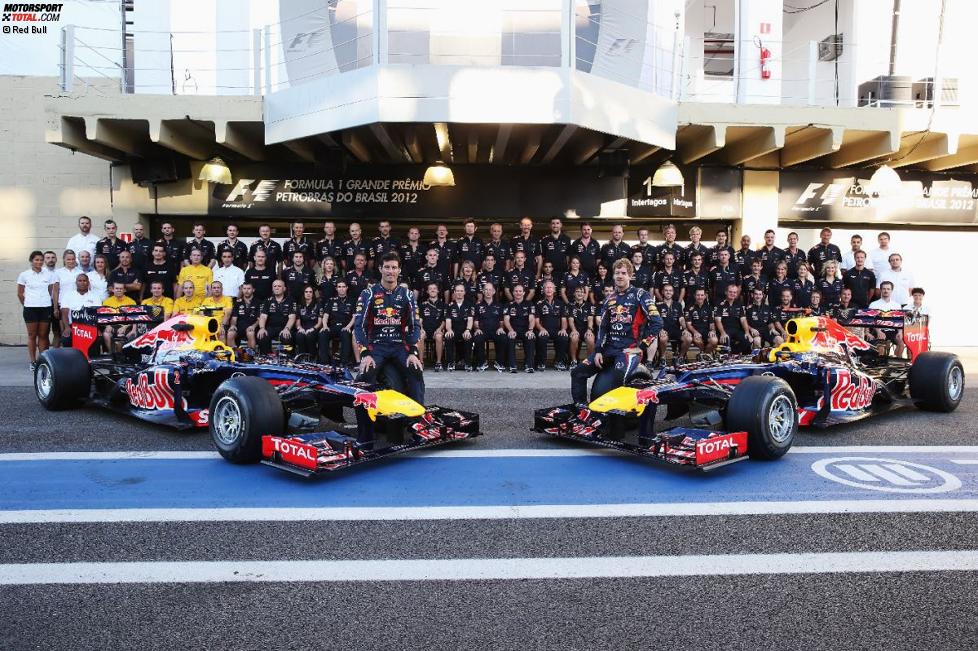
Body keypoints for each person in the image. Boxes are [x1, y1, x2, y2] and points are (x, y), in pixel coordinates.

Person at [570, 259, 661, 405]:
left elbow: (657, 322)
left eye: (624, 273)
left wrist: (641, 347)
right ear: (613, 275)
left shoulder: (641, 295)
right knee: (577, 372)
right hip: (608, 350)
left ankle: (615, 421)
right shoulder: (609, 299)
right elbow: (603, 328)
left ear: (630, 275)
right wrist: (598, 350)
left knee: (617, 378)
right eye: (617, 273)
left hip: (628, 350)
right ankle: (582, 409)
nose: (620, 276)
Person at [353, 252, 425, 403]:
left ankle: (416, 419)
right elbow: (359, 326)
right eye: (387, 267)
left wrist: (413, 351)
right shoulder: (369, 293)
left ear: (399, 270)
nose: (390, 271)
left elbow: (415, 325)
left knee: (416, 371)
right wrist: (365, 352)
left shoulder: (407, 295)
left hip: (400, 346)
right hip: (376, 346)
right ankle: (366, 425)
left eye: (394, 267)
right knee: (365, 375)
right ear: (380, 269)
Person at [18, 251, 58, 369]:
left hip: (45, 307)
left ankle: (43, 360)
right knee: (32, 335)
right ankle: (33, 361)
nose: (39, 262)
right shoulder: (24, 275)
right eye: (36, 260)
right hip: (30, 308)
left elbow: (53, 291)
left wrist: (54, 307)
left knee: (43, 335)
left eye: (41, 260)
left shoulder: (49, 274)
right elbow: (20, 293)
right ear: (31, 261)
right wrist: (27, 304)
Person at [319, 279, 355, 366]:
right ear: (336, 289)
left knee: (345, 334)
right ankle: (325, 362)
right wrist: (324, 326)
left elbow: (354, 316)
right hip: (333, 326)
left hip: (345, 326)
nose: (341, 289)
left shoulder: (352, 300)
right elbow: (326, 315)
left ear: (347, 288)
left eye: (343, 287)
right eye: (339, 287)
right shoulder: (331, 300)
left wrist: (348, 327)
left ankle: (344, 363)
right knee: (323, 334)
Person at [535, 280, 569, 371]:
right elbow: (537, 321)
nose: (548, 289)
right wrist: (541, 329)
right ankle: (541, 362)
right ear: (543, 290)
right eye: (546, 287)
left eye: (550, 287)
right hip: (544, 329)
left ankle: (559, 361)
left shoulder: (560, 303)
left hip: (556, 330)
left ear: (554, 290)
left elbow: (564, 319)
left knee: (563, 337)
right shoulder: (539, 304)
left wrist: (563, 329)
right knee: (542, 338)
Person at [473, 281, 508, 372]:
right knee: (477, 338)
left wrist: (501, 328)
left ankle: (499, 362)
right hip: (483, 330)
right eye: (486, 290)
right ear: (483, 292)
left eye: (490, 290)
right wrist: (477, 329)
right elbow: (475, 321)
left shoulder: (499, 306)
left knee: (503, 337)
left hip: (495, 330)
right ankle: (482, 362)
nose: (488, 292)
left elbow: (501, 321)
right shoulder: (478, 306)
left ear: (494, 292)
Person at [60, 274, 102, 345]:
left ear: (88, 283)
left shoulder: (95, 296)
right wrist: (67, 328)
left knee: (98, 339)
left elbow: (98, 314)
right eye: (80, 281)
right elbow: (64, 314)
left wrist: (97, 329)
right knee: (66, 339)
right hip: (73, 326)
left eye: (84, 281)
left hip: (90, 326)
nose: (82, 283)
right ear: (76, 283)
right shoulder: (68, 295)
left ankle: (92, 356)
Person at [257, 279, 297, 354]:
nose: (277, 288)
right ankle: (266, 357)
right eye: (275, 286)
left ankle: (287, 358)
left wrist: (287, 328)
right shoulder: (267, 301)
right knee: (262, 335)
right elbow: (263, 316)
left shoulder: (291, 300)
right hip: (271, 328)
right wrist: (262, 328)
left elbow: (292, 317)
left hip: (285, 327)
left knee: (286, 336)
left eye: (279, 286)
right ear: (272, 289)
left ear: (284, 289)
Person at [504, 284, 536, 373]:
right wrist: (510, 330)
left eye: (520, 291)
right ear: (513, 293)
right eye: (516, 291)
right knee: (510, 337)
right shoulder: (508, 305)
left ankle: (528, 365)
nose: (518, 293)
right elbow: (506, 320)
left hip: (525, 330)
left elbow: (532, 318)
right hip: (513, 330)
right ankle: (512, 365)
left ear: (524, 293)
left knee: (530, 337)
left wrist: (530, 330)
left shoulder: (529, 304)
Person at [443, 283, 475, 371]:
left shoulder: (469, 305)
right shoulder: (450, 306)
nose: (459, 293)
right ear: (454, 292)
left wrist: (468, 330)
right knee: (448, 336)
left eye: (461, 291)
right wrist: (449, 330)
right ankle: (450, 363)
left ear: (464, 292)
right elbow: (448, 321)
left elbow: (470, 320)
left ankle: (467, 363)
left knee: (468, 337)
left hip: (465, 330)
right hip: (454, 330)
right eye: (457, 291)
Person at [869, 281, 906, 357]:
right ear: (881, 290)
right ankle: (881, 366)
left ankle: (896, 364)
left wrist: (900, 332)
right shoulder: (874, 304)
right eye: (884, 289)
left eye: (888, 289)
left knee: (901, 345)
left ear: (891, 290)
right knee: (881, 348)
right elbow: (871, 321)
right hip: (879, 330)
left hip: (893, 331)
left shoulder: (897, 305)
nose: (886, 291)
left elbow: (899, 320)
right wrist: (878, 331)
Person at [656, 283, 689, 365]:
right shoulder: (657, 305)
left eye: (670, 291)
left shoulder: (678, 305)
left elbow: (681, 319)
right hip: (664, 330)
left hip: (676, 330)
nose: (668, 292)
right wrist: (660, 330)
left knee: (688, 338)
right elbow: (656, 320)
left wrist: (685, 329)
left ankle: (680, 357)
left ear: (673, 292)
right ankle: (662, 358)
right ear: (662, 292)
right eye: (666, 290)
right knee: (663, 338)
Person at [714, 285, 752, 354]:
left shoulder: (739, 304)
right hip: (725, 330)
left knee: (747, 340)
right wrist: (722, 333)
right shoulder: (719, 304)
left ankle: (734, 354)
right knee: (725, 339)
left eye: (734, 292)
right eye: (730, 292)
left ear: (737, 294)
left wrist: (747, 332)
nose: (732, 294)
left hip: (737, 330)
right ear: (726, 292)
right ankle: (727, 358)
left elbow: (743, 320)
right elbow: (718, 321)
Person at [418, 281, 446, 371]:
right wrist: (421, 329)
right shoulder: (422, 305)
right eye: (430, 289)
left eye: (434, 289)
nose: (432, 290)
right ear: (427, 291)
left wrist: (440, 329)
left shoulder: (443, 305)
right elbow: (420, 320)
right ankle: (421, 362)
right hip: (425, 330)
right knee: (420, 335)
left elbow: (444, 320)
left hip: (437, 330)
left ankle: (438, 362)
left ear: (438, 291)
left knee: (439, 336)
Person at [101, 282, 137, 350]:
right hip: (112, 325)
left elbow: (134, 318)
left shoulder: (131, 302)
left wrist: (125, 327)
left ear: (124, 290)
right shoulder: (107, 302)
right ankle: (111, 354)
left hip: (126, 325)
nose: (119, 290)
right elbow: (104, 317)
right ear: (113, 289)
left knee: (120, 337)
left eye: (121, 288)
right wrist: (108, 326)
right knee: (106, 334)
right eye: (117, 288)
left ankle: (119, 356)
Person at [567, 285, 596, 368]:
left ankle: (588, 362)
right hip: (575, 329)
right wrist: (573, 330)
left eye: (582, 292)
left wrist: (589, 330)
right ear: (574, 293)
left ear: (584, 294)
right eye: (577, 291)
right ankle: (574, 361)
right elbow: (571, 320)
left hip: (586, 329)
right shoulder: (570, 305)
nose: (580, 293)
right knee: (574, 337)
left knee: (590, 339)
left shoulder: (589, 305)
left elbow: (590, 319)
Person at [684, 287, 718, 356]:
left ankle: (704, 355)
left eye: (702, 295)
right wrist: (695, 332)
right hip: (695, 330)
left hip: (706, 331)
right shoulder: (688, 307)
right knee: (697, 340)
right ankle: (705, 355)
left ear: (705, 296)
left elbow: (711, 323)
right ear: (694, 296)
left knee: (714, 340)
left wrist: (712, 331)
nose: (700, 297)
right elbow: (688, 324)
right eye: (698, 295)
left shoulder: (709, 308)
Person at [226, 281, 260, 348]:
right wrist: (232, 325)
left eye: (248, 288)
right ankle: (235, 355)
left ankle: (250, 356)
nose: (246, 291)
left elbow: (260, 319)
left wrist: (253, 326)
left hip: (252, 327)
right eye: (244, 288)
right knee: (230, 333)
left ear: (253, 290)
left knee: (250, 333)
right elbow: (234, 318)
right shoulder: (238, 302)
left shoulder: (259, 302)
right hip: (239, 326)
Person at [293, 285, 323, 359]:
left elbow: (320, 323)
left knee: (309, 336)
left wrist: (312, 329)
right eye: (306, 292)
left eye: (310, 292)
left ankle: (312, 357)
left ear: (313, 294)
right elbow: (297, 322)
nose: (308, 293)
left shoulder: (318, 304)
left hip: (315, 328)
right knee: (299, 335)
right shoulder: (299, 306)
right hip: (303, 328)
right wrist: (300, 328)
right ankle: (302, 357)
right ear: (303, 293)